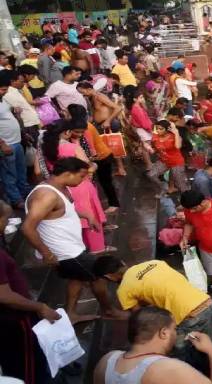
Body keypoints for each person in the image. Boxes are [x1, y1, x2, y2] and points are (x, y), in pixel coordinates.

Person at [22, 157, 125, 323]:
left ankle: (71, 314)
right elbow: (27, 228)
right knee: (100, 273)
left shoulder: (58, 188)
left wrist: (87, 215)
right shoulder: (46, 195)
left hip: (72, 247)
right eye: (81, 176)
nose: (84, 180)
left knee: (77, 277)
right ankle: (109, 310)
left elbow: (63, 210)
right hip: (65, 252)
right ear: (69, 174)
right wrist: (46, 253)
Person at [93, 256, 212, 363]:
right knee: (210, 347)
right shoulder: (155, 262)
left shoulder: (124, 289)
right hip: (207, 303)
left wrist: (121, 315)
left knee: (177, 354)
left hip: (188, 316)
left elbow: (141, 317)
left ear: (109, 277)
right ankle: (211, 370)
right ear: (123, 263)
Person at [0, 200, 61, 384]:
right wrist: (39, 306)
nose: (6, 224)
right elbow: (4, 295)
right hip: (14, 319)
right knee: (27, 364)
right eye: (5, 219)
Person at [92, 306, 212, 384]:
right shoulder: (167, 369)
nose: (176, 333)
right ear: (163, 333)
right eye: (174, 329)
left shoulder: (106, 361)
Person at [41, 116, 111, 253]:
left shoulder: (47, 149)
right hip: (80, 185)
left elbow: (40, 170)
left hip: (61, 186)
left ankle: (82, 247)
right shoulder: (72, 147)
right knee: (89, 215)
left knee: (74, 217)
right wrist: (95, 165)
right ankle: (98, 248)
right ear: (67, 132)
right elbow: (88, 167)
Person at [0, 75, 30, 209]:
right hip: (6, 145)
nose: (4, 92)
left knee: (21, 172)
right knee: (9, 175)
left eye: (5, 89)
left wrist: (23, 134)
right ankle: (16, 200)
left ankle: (25, 195)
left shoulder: (3, 101)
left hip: (16, 142)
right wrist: (2, 144)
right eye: (2, 89)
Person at [151, 120, 189, 193]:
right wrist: (149, 149)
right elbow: (155, 149)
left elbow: (178, 146)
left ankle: (188, 200)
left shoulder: (175, 136)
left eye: (161, 129)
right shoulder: (155, 137)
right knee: (151, 174)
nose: (158, 131)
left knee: (180, 184)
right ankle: (163, 187)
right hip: (164, 161)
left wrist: (176, 132)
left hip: (176, 162)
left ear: (167, 129)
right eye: (157, 128)